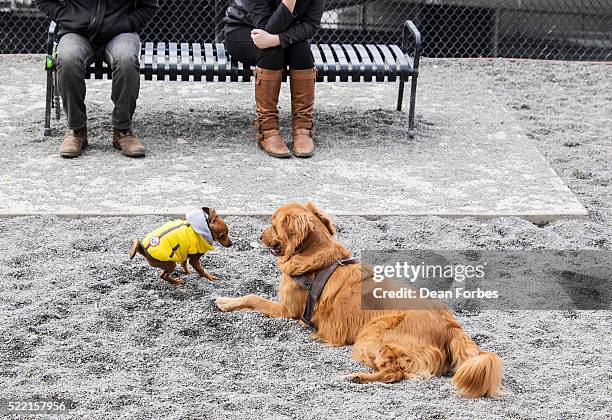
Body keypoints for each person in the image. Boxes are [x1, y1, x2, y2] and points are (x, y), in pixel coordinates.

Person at [35, 0, 159, 158]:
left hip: (120, 33)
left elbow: (149, 5)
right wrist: (66, 17)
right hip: (76, 33)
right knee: (68, 58)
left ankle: (123, 130)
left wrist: (128, 23)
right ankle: (76, 130)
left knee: (126, 59)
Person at [224, 0, 325, 158]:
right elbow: (266, 28)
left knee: (301, 49)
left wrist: (278, 39)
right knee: (272, 51)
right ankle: (268, 130)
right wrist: (289, 2)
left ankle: (303, 129)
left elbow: (311, 25)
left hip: (281, 32)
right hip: (244, 30)